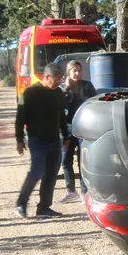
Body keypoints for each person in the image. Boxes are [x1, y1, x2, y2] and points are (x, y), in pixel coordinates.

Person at [15, 62, 71, 218]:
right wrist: (19, 139)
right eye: (57, 78)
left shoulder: (58, 93)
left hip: (54, 140)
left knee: (51, 174)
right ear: (46, 77)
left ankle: (44, 208)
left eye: (61, 78)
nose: (60, 81)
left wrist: (66, 136)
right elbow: (20, 117)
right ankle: (21, 203)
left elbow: (61, 116)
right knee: (37, 171)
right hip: (36, 140)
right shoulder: (30, 92)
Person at [57, 59, 96, 203]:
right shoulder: (61, 88)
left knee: (83, 161)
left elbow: (93, 103)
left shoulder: (87, 85)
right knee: (65, 160)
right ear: (69, 72)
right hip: (67, 129)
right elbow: (60, 107)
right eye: (75, 71)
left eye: (79, 71)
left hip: (83, 128)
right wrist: (67, 88)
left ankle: (85, 193)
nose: (77, 73)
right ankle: (70, 191)